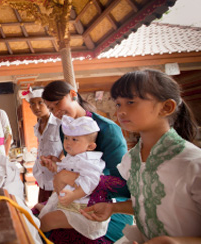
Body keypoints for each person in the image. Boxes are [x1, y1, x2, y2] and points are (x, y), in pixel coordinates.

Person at [81, 69, 201, 244]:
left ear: (166, 107)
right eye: (118, 104)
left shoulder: (192, 163)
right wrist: (113, 208)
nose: (120, 112)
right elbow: (149, 203)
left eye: (131, 102)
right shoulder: (131, 160)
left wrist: (176, 242)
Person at [41, 80, 133, 243]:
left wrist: (69, 177)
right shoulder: (65, 127)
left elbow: (122, 186)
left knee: (48, 229)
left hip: (107, 205)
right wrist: (59, 162)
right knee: (34, 216)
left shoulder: (108, 130)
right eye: (51, 109)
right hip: (77, 196)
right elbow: (75, 159)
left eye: (57, 103)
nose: (56, 112)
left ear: (73, 95)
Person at [36, 115, 110, 240]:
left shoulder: (89, 161)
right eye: (66, 138)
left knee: (47, 221)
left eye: (75, 139)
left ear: (90, 147)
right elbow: (67, 170)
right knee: (51, 204)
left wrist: (74, 195)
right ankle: (48, 210)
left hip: (84, 211)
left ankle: (35, 235)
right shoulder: (75, 156)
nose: (68, 142)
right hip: (71, 203)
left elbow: (92, 182)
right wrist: (55, 163)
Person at [21, 87, 63, 203]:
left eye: (40, 102)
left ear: (48, 103)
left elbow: (68, 147)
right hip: (42, 176)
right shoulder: (37, 126)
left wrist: (58, 161)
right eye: (33, 104)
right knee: (42, 210)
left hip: (58, 177)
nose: (37, 107)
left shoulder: (60, 124)